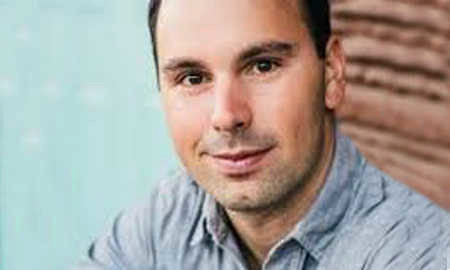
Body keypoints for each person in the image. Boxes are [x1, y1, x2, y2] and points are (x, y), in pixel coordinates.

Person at [75, 0, 448, 269]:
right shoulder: (159, 228)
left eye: (262, 66)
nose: (226, 115)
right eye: (193, 78)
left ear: (332, 73)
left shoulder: (422, 253)